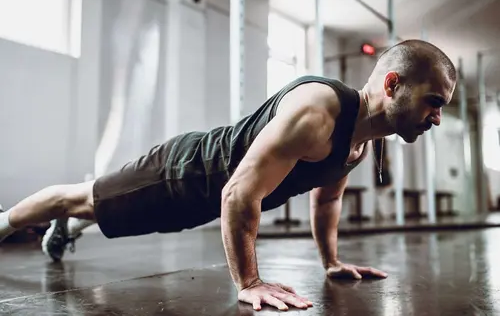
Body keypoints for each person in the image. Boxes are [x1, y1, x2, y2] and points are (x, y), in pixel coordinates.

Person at [0, 39, 456, 311]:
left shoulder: (360, 142)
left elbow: (327, 199)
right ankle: (8, 221)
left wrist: (331, 263)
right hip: (185, 172)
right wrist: (250, 283)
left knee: (116, 215)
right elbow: (238, 192)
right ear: (393, 84)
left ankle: (76, 224)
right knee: (77, 197)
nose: (436, 118)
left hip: (203, 199)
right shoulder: (318, 112)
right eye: (433, 101)